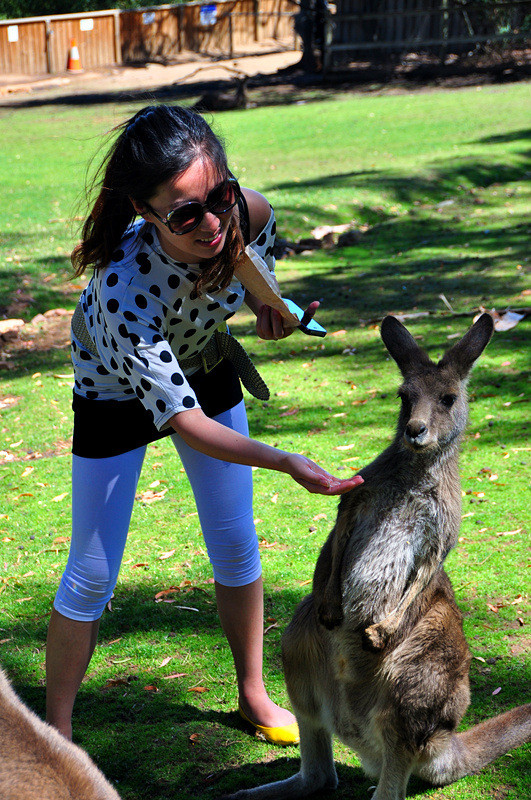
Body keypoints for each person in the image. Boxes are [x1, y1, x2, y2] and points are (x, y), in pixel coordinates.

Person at [45, 105, 362, 745]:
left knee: (236, 540)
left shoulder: (250, 213)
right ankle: (54, 734)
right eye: (188, 214)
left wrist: (271, 308)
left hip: (203, 359)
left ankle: (253, 695)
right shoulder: (123, 288)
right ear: (146, 211)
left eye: (220, 196)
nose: (213, 223)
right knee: (92, 572)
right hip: (114, 395)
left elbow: (247, 280)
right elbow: (185, 424)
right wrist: (284, 461)